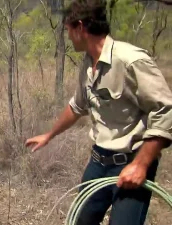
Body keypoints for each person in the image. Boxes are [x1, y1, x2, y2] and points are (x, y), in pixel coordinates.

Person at [25, 0, 172, 225]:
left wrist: (141, 165)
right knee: (81, 220)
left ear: (80, 27)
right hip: (98, 162)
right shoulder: (88, 62)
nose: (68, 37)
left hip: (131, 162)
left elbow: (165, 109)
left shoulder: (131, 60)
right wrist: (49, 135)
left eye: (68, 31)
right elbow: (77, 106)